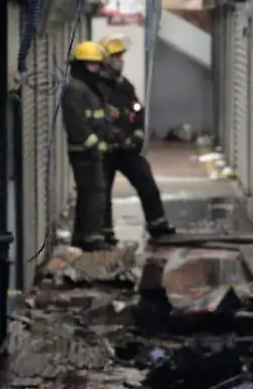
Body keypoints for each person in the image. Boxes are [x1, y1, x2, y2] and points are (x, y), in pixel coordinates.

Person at [96, 35, 177, 243]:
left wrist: (138, 132)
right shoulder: (96, 88)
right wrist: (118, 137)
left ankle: (157, 223)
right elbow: (100, 119)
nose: (120, 61)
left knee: (145, 180)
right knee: (102, 191)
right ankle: (104, 232)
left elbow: (136, 109)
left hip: (128, 148)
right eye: (116, 57)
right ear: (105, 60)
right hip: (105, 150)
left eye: (121, 57)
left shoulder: (124, 86)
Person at [62, 41, 113, 252]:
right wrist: (93, 145)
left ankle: (81, 236)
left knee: (88, 194)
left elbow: (94, 118)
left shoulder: (87, 88)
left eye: (97, 65)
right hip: (84, 152)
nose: (96, 69)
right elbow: (76, 122)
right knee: (95, 193)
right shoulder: (75, 89)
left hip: (91, 151)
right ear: (81, 66)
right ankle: (92, 238)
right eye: (91, 65)